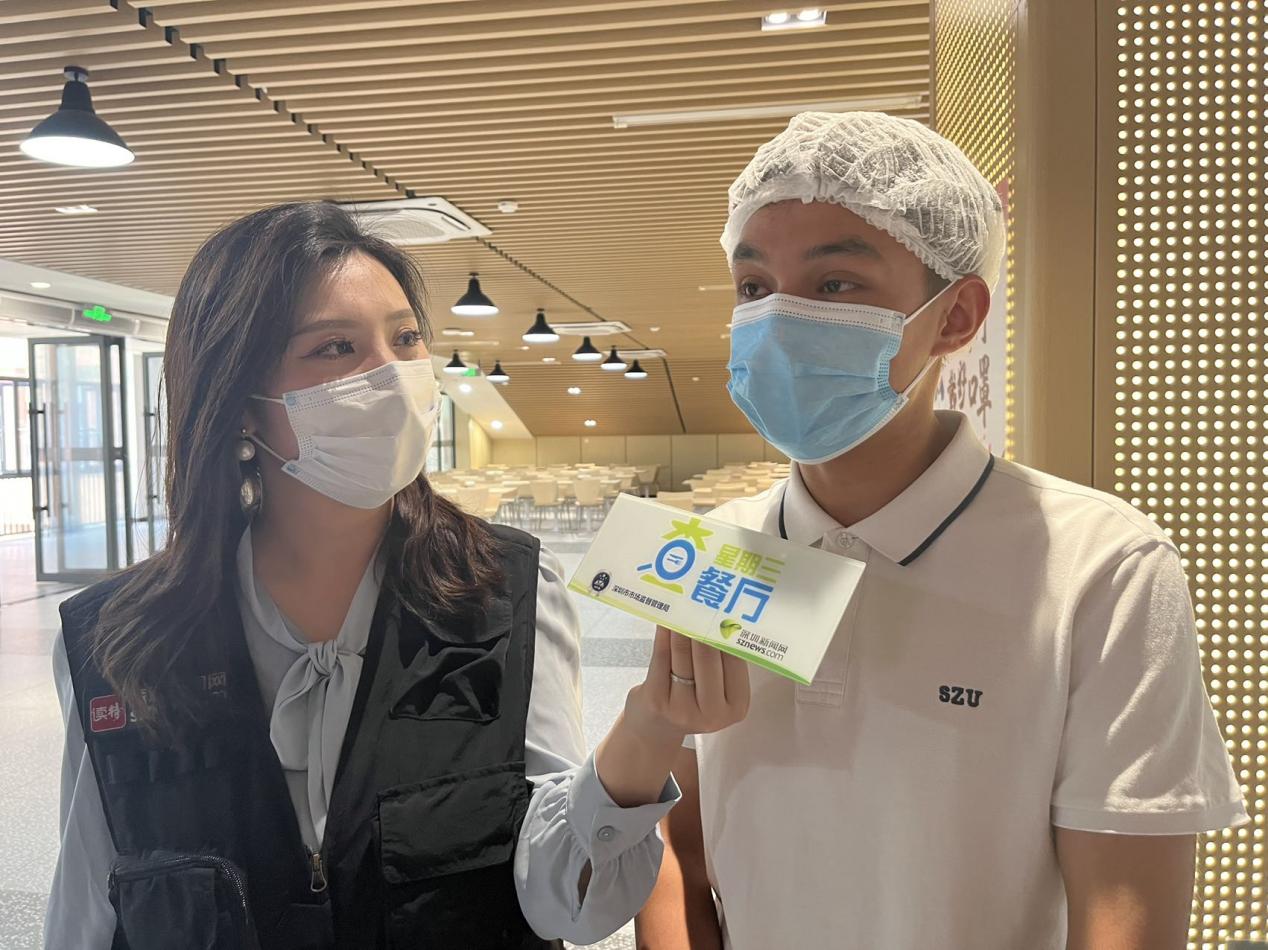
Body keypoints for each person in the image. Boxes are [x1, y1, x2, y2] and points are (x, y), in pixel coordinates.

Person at [45, 201, 748, 949]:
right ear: (240, 404)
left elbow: (563, 900)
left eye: (406, 339)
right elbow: (89, 902)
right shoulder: (118, 640)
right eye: (335, 347)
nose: (392, 374)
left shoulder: (506, 591)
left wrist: (649, 729)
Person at [635, 111, 1248, 950]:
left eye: (834, 284)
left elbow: (1123, 913)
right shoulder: (718, 549)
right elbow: (675, 841)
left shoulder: (1100, 566)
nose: (778, 320)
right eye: (753, 287)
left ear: (955, 317)